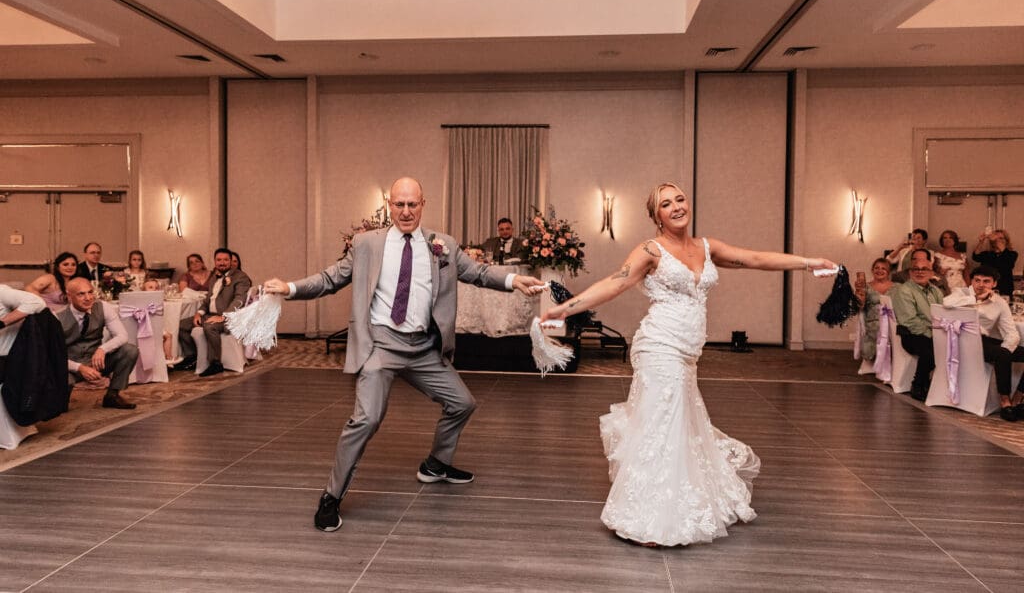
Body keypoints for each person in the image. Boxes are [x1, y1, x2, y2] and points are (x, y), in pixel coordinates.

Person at [539, 182, 835, 547]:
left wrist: (809, 263)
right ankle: (649, 517)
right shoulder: (651, 250)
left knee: (676, 425)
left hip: (688, 352)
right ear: (656, 216)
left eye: (680, 199)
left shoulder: (706, 248)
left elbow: (756, 258)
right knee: (662, 426)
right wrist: (563, 310)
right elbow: (615, 283)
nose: (677, 206)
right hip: (659, 346)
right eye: (666, 203)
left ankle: (671, 503)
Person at [263, 177, 545, 533]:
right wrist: (289, 288)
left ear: (423, 204)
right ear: (389, 204)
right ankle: (331, 496)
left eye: (413, 204)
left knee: (462, 403)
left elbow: (477, 272)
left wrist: (511, 280)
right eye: (399, 204)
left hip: (423, 348)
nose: (406, 211)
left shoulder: (442, 245)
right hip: (380, 345)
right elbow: (331, 278)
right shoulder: (367, 244)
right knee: (366, 419)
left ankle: (436, 465)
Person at [943, 265, 1024, 421]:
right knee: (1002, 354)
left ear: (994, 284)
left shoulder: (999, 302)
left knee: (1004, 351)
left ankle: (1018, 396)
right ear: (972, 281)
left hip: (983, 342)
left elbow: (1011, 333)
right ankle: (1005, 400)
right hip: (959, 341)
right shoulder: (961, 293)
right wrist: (975, 299)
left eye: (986, 281)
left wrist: (1006, 350)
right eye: (977, 280)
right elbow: (946, 303)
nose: (981, 285)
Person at [56, 278, 138, 409]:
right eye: (81, 294)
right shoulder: (57, 317)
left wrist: (102, 349)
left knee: (129, 350)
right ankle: (61, 399)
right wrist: (80, 368)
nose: (88, 298)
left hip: (96, 360)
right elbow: (53, 356)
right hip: (69, 365)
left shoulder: (103, 307)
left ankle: (113, 396)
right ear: (69, 296)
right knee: (58, 408)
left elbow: (122, 336)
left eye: (90, 292)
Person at [175, 248, 251, 377]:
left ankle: (215, 363)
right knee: (181, 326)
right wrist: (199, 313)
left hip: (230, 317)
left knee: (209, 326)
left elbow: (239, 299)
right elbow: (207, 300)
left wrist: (224, 316)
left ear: (231, 261)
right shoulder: (214, 277)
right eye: (219, 260)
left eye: (225, 260)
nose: (222, 263)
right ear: (215, 261)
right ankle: (193, 356)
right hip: (209, 315)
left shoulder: (240, 277)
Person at [891, 249, 944, 401]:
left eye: (924, 269)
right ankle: (919, 383)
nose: (920, 272)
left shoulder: (936, 290)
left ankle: (941, 385)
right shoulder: (904, 290)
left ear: (931, 272)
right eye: (916, 269)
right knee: (930, 350)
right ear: (910, 272)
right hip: (911, 335)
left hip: (932, 331)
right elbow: (910, 321)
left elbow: (942, 314)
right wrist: (934, 335)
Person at [853, 258, 895, 361]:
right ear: (872, 270)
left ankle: (893, 359)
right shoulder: (864, 287)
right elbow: (859, 307)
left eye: (883, 268)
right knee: (877, 330)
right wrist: (859, 294)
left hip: (893, 321)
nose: (879, 270)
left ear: (888, 272)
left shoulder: (898, 287)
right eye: (876, 268)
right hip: (873, 322)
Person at [972, 229, 1018, 298]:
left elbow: (1008, 264)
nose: (998, 240)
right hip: (987, 287)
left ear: (1006, 241)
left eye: (1001, 238)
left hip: (1005, 287)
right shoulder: (987, 254)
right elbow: (975, 256)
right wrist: (981, 241)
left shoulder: (1011, 254)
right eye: (996, 238)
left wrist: (998, 242)